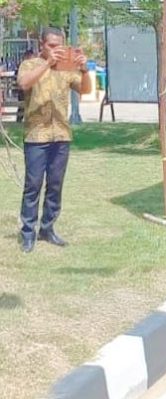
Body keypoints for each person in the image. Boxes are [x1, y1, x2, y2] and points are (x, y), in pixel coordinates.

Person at [16, 27, 93, 253]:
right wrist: (47, 63)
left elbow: (85, 91)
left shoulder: (67, 68)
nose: (55, 50)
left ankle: (48, 228)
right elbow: (24, 84)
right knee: (33, 185)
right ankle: (28, 232)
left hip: (61, 135)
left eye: (59, 45)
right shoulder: (30, 64)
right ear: (42, 45)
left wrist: (85, 69)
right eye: (51, 45)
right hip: (36, 135)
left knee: (55, 185)